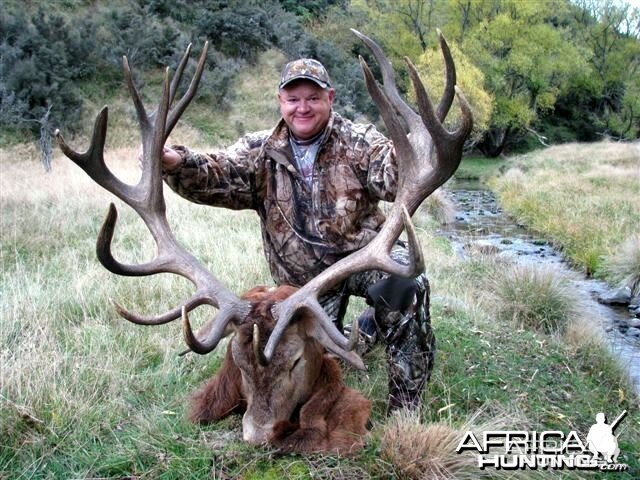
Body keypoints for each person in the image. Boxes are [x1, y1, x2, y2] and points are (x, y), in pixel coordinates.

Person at [161, 58, 434, 412]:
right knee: (306, 354)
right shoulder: (259, 151)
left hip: (364, 259)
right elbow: (219, 174)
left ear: (330, 98)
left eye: (313, 97)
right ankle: (366, 329)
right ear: (280, 101)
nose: (302, 107)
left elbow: (390, 172)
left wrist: (410, 150)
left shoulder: (358, 141)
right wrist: (175, 161)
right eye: (293, 99)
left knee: (404, 287)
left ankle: (406, 402)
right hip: (303, 285)